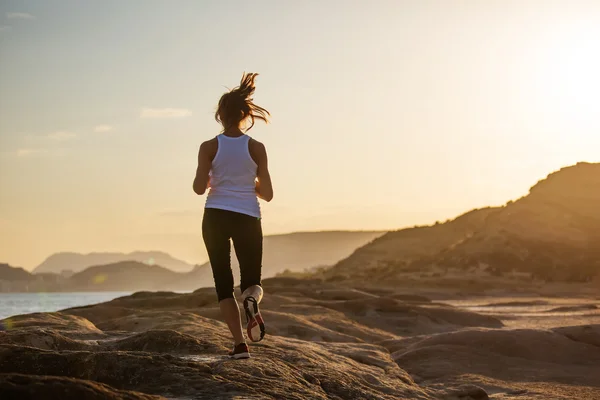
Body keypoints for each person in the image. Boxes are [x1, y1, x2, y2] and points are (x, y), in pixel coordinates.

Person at [193, 73, 273, 359]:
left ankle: (240, 344)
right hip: (247, 216)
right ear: (245, 115)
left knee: (223, 283)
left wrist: (215, 179)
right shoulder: (256, 148)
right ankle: (251, 299)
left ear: (219, 115)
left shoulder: (208, 147)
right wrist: (248, 184)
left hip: (215, 215)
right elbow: (268, 194)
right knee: (252, 280)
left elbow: (198, 188)